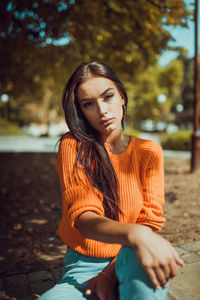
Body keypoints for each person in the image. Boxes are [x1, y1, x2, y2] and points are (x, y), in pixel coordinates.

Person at [39, 61, 184, 300]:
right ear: (81, 111)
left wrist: (110, 273)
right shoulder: (73, 146)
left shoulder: (149, 151)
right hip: (83, 266)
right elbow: (84, 218)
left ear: (122, 97)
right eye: (88, 104)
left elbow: (148, 220)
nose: (102, 110)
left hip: (133, 255)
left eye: (108, 96)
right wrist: (135, 234)